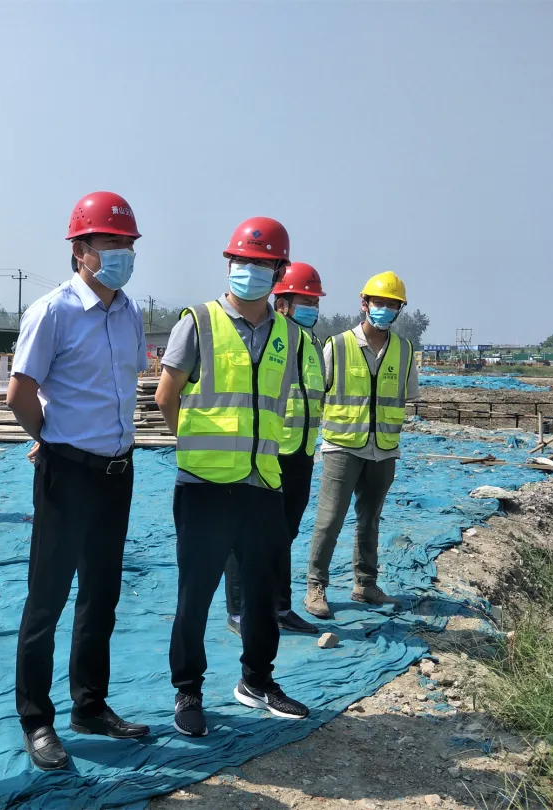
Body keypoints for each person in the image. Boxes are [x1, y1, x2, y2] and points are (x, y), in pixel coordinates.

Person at [8, 191, 150, 771]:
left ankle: (90, 705)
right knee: (47, 597)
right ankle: (36, 719)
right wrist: (49, 439)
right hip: (67, 473)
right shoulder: (53, 312)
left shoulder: (130, 312)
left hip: (117, 472)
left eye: (128, 244)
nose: (122, 253)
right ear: (80, 250)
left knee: (101, 594)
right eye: (110, 242)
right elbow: (20, 393)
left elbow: (124, 385)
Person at [155, 216, 311, 738]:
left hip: (262, 483)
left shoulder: (290, 336)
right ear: (229, 263)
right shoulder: (198, 322)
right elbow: (167, 396)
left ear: (279, 272)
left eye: (264, 265)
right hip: (204, 485)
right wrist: (196, 448)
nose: (252, 271)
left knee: (262, 594)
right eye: (245, 262)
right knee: (195, 595)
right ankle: (188, 691)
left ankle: (257, 681)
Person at [305, 271, 419, 620]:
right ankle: (315, 585)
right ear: (364, 303)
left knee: (370, 520)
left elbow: (407, 396)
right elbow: (317, 394)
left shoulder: (404, 350)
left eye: (392, 305)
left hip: (383, 449)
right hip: (342, 447)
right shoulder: (337, 346)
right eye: (379, 302)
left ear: (399, 310)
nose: (384, 309)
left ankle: (365, 584)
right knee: (330, 519)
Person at [221, 262, 327, 637]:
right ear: (282, 303)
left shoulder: (312, 344)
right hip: (267, 453)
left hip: (301, 454)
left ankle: (280, 607)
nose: (312, 308)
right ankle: (239, 612)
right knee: (245, 535)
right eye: (305, 301)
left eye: (315, 302)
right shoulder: (265, 340)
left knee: (283, 535)